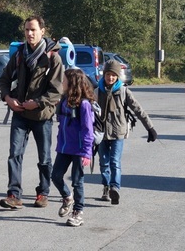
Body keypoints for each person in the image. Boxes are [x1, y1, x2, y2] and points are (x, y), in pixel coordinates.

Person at [0, 16, 63, 209]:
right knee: (14, 155)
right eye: (27, 30)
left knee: (44, 158)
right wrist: (8, 99)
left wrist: (36, 103)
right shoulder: (19, 54)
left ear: (43, 31)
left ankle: (43, 193)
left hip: (42, 115)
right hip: (20, 114)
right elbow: (4, 80)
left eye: (33, 30)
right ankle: (14, 194)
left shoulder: (53, 58)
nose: (29, 33)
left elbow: (56, 91)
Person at [97, 60, 157, 205]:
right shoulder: (96, 90)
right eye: (108, 74)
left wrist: (150, 128)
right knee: (104, 163)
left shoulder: (123, 91)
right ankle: (106, 187)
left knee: (114, 162)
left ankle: (115, 188)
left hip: (118, 132)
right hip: (100, 132)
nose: (110, 77)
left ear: (118, 76)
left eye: (113, 75)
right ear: (104, 74)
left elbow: (138, 109)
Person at [51, 68, 95, 227]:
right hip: (63, 148)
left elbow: (88, 130)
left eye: (64, 80)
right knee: (55, 176)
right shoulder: (63, 101)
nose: (62, 83)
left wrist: (86, 153)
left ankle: (78, 212)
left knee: (77, 181)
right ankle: (67, 197)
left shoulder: (84, 105)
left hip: (79, 150)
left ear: (72, 83)